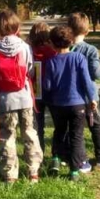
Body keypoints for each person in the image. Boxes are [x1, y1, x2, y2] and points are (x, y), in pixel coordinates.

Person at [0, 10, 43, 184]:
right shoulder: (25, 47)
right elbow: (30, 70)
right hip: (24, 97)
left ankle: (10, 174)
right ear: (17, 26)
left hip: (5, 100)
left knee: (7, 136)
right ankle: (33, 171)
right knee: (29, 132)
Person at [44, 26, 97, 181]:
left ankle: (56, 159)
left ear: (52, 44)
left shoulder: (50, 62)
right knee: (76, 136)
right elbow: (86, 81)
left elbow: (47, 86)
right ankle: (74, 171)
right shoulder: (79, 58)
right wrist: (92, 98)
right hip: (77, 104)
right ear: (71, 41)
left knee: (59, 131)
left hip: (57, 105)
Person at [68, 12, 100, 168]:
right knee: (96, 126)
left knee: (75, 131)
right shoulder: (91, 50)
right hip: (89, 97)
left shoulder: (65, 49)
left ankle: (80, 159)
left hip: (72, 97)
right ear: (87, 31)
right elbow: (96, 74)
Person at [27, 21, 56, 152]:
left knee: (37, 126)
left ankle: (39, 151)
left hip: (33, 92)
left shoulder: (29, 51)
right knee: (58, 123)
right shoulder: (52, 51)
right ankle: (58, 153)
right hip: (51, 91)